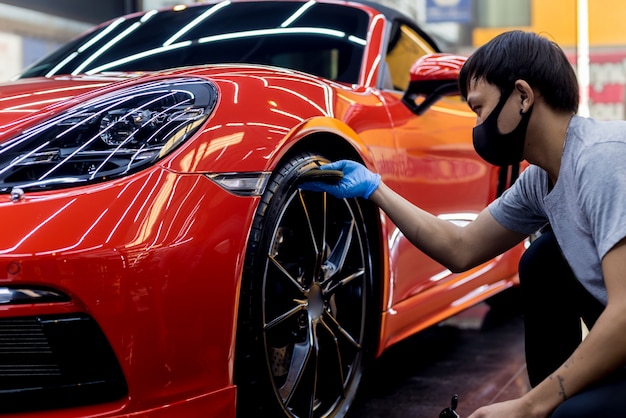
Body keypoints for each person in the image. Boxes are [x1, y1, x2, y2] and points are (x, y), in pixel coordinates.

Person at [300, 30, 626, 418]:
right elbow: (460, 248)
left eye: (479, 109)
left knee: (564, 413)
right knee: (544, 258)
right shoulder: (542, 179)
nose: (477, 126)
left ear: (522, 97)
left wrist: (528, 406)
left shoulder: (601, 160)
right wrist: (375, 189)